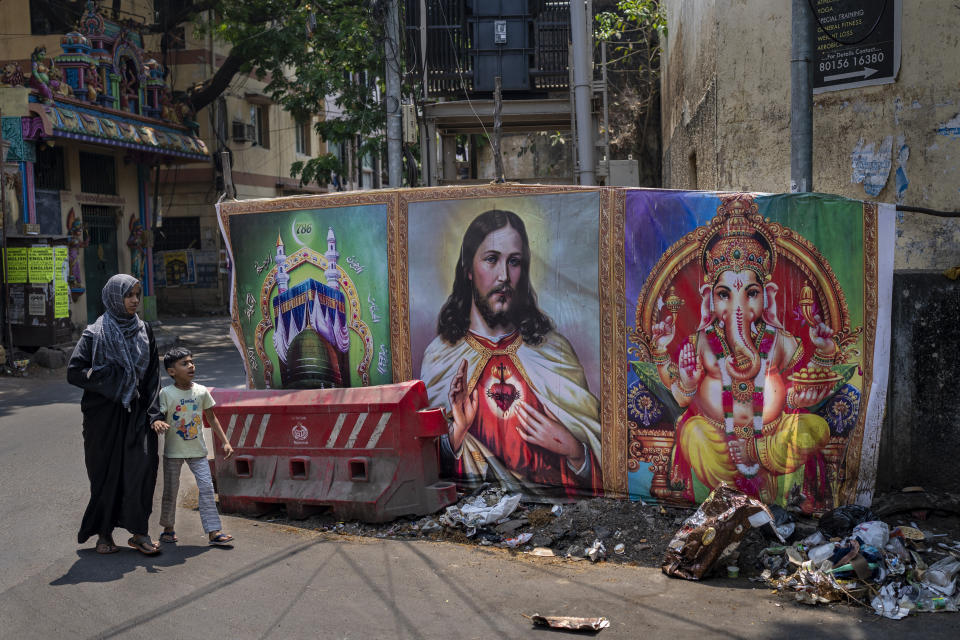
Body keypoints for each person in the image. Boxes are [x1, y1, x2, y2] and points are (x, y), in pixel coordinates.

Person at [419, 209, 602, 497]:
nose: (504, 276)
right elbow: (422, 462)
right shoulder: (441, 356)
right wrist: (458, 430)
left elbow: (606, 468)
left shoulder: (553, 352)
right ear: (468, 268)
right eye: (491, 260)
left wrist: (575, 451)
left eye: (514, 262)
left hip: (552, 517)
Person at [67, 274, 165, 555]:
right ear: (114, 298)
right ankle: (104, 534)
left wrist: (154, 413)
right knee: (105, 475)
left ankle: (140, 533)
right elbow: (75, 371)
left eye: (137, 294)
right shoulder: (94, 334)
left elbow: (152, 379)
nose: (135, 300)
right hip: (104, 417)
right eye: (129, 295)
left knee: (141, 470)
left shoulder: (145, 330)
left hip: (137, 413)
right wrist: (113, 377)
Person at [157, 347, 235, 546]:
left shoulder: (201, 391)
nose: (191, 366)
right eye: (184, 363)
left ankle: (213, 531)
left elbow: (212, 418)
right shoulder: (165, 393)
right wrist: (158, 422)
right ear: (171, 371)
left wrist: (225, 441)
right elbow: (158, 416)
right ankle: (168, 529)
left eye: (191, 362)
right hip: (173, 453)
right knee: (171, 491)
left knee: (207, 488)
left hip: (198, 451)